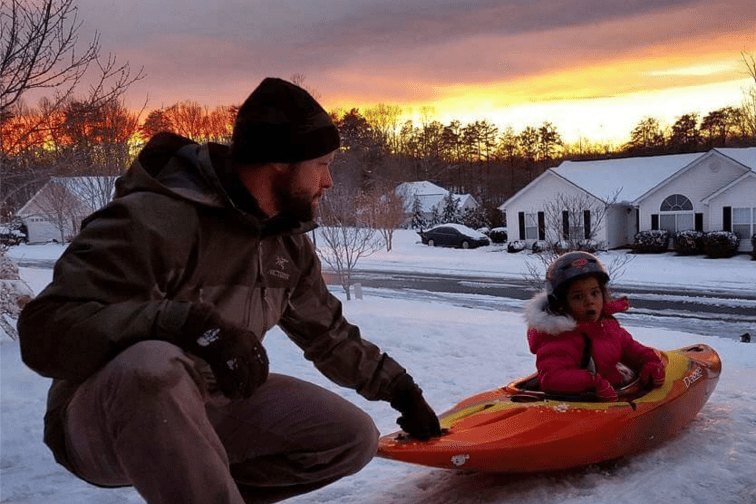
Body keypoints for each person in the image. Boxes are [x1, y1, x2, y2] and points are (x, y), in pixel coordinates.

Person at [18, 77, 441, 504]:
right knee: (152, 362)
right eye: (322, 164)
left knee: (349, 436)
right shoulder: (152, 220)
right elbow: (44, 331)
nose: (328, 181)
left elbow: (327, 335)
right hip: (103, 417)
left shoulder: (285, 241)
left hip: (210, 401)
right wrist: (181, 323)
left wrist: (399, 389)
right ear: (280, 161)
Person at [523, 251, 665, 401]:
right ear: (563, 305)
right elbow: (552, 378)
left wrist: (650, 362)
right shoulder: (560, 338)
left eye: (595, 293)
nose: (590, 301)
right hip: (582, 404)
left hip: (613, 392)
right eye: (578, 296)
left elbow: (633, 349)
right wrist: (592, 383)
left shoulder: (607, 327)